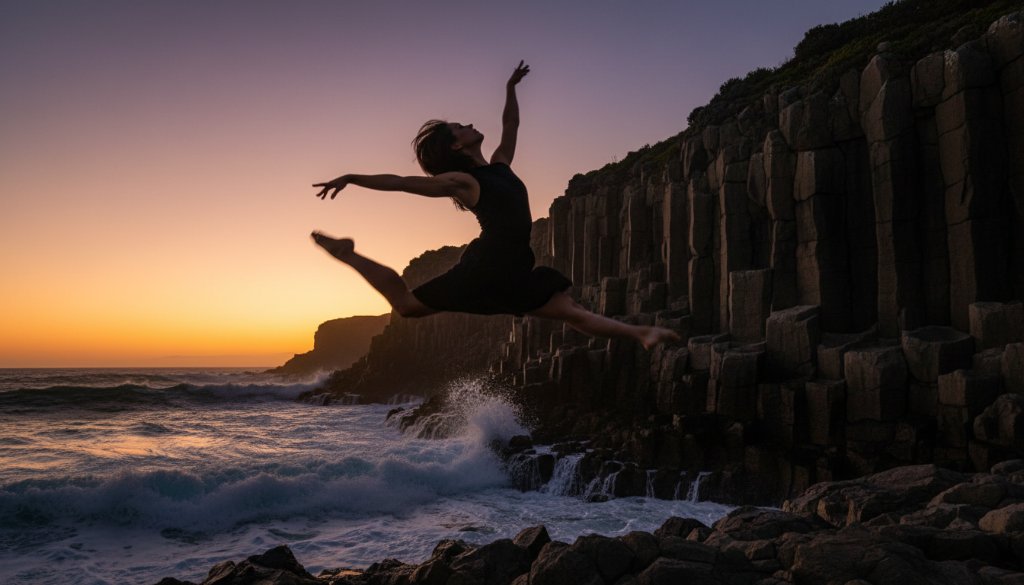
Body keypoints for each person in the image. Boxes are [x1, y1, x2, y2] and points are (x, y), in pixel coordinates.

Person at [311, 61, 680, 350]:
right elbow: (405, 183)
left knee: (571, 312)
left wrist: (510, 88)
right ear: (456, 146)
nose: (470, 124)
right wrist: (352, 177)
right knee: (407, 306)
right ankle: (349, 254)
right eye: (461, 126)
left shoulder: (501, 164)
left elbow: (511, 122)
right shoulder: (465, 182)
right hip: (489, 266)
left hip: (514, 264)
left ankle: (641, 334)